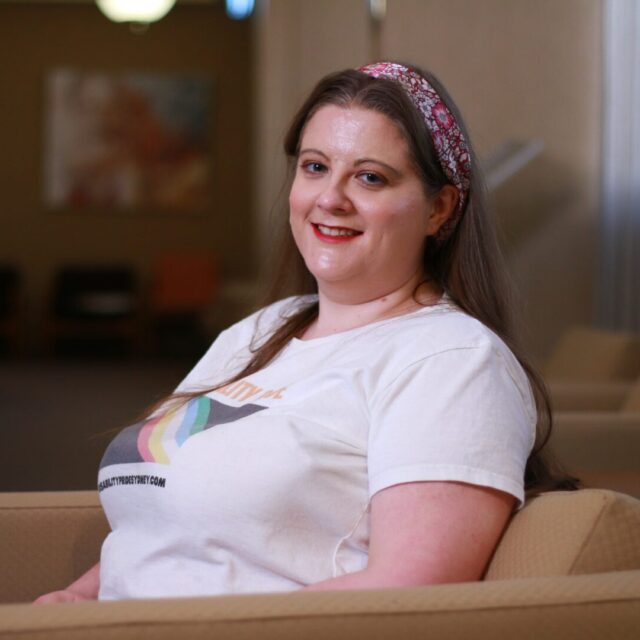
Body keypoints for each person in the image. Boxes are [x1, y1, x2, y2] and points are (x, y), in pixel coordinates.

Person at [35, 61, 576, 604]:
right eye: (315, 167)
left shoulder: (453, 360)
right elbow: (166, 527)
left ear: (440, 208)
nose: (331, 198)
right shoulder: (263, 328)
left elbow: (413, 596)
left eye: (370, 177)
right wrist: (77, 599)